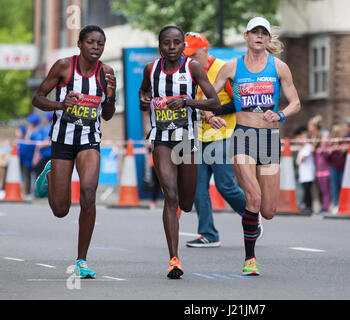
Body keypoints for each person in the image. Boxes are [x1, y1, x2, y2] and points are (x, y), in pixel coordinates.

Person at [208, 17, 301, 275]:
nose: (259, 36)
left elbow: (296, 102)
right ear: (246, 36)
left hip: (269, 140)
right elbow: (210, 98)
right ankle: (250, 259)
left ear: (269, 38)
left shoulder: (279, 67)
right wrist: (208, 115)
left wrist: (280, 115)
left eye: (264, 33)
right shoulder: (231, 67)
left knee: (268, 210)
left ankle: (254, 220)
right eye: (254, 32)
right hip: (243, 137)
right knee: (254, 197)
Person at [32, 25, 117, 279]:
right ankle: (50, 176)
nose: (96, 48)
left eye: (100, 44)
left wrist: (111, 97)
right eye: (90, 42)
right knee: (60, 210)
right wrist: (60, 103)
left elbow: (108, 115)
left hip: (90, 141)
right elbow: (38, 98)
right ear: (80, 44)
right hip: (62, 141)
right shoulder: (64, 67)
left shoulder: (108, 73)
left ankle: (82, 260)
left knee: (89, 193)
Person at [138, 25, 220, 279]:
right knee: (170, 195)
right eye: (166, 43)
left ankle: (181, 213)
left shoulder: (193, 68)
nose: (171, 47)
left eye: (176, 43)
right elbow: (143, 92)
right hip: (161, 139)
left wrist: (186, 101)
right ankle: (174, 259)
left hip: (188, 140)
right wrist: (144, 103)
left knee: (185, 201)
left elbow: (214, 102)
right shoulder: (150, 69)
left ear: (183, 46)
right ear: (159, 45)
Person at [183, 32, 249, 248]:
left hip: (224, 133)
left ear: (205, 51)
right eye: (187, 54)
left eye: (193, 54)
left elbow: (241, 102)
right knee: (197, 187)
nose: (189, 59)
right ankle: (208, 234)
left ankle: (251, 216)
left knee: (225, 186)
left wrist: (213, 111)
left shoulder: (222, 68)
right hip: (197, 136)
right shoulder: (187, 70)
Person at [308, 115, 331, 214]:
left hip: (324, 168)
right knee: (320, 190)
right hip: (317, 168)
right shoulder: (314, 137)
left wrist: (323, 146)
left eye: (310, 125)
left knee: (325, 190)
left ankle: (326, 207)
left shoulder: (323, 136)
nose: (309, 127)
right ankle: (323, 206)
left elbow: (326, 152)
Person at [17, 113, 43, 197]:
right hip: (27, 157)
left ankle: (36, 192)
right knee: (27, 174)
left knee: (36, 174)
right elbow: (26, 140)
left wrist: (36, 157)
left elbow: (38, 146)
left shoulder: (38, 131)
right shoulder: (30, 130)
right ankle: (27, 191)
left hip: (35, 157)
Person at [325, 124, 347, 214]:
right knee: (334, 187)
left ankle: (343, 205)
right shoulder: (331, 144)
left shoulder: (344, 143)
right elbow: (326, 158)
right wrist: (329, 152)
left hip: (343, 168)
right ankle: (335, 205)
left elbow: (346, 156)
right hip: (333, 168)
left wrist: (344, 150)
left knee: (343, 187)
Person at [296, 131, 315, 214]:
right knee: (304, 190)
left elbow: (304, 158)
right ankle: (306, 205)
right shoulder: (302, 148)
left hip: (308, 173)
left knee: (307, 191)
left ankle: (309, 206)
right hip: (303, 174)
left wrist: (300, 160)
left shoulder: (308, 146)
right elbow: (297, 161)